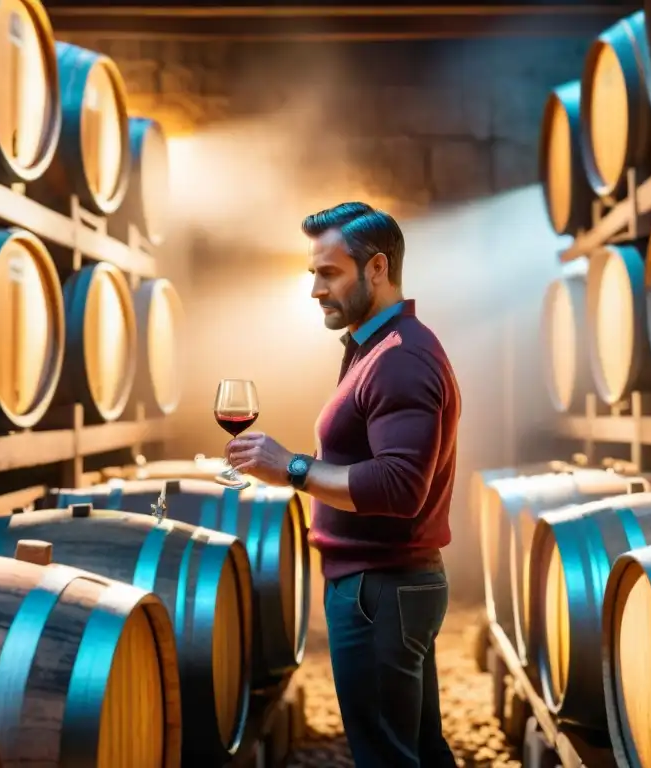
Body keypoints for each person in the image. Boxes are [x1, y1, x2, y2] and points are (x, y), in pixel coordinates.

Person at [225, 201, 461, 767]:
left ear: (376, 269)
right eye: (314, 274)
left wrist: (294, 469)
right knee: (420, 752)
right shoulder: (374, 349)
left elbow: (402, 487)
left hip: (379, 588)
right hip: (385, 585)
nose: (315, 290)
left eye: (328, 273)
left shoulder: (401, 359)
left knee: (386, 757)